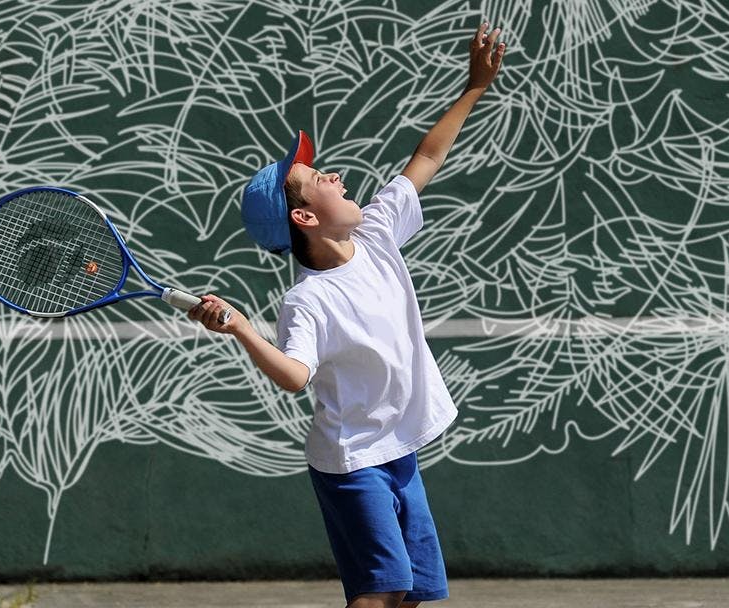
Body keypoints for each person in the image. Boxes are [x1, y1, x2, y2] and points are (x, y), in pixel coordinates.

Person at [189, 22, 506, 608]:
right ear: (305, 219)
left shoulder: (381, 233)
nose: (333, 175)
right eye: (317, 179)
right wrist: (240, 328)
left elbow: (429, 154)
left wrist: (475, 87)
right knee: (380, 594)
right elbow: (293, 376)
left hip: (398, 452)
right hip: (353, 461)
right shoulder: (306, 301)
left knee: (412, 596)